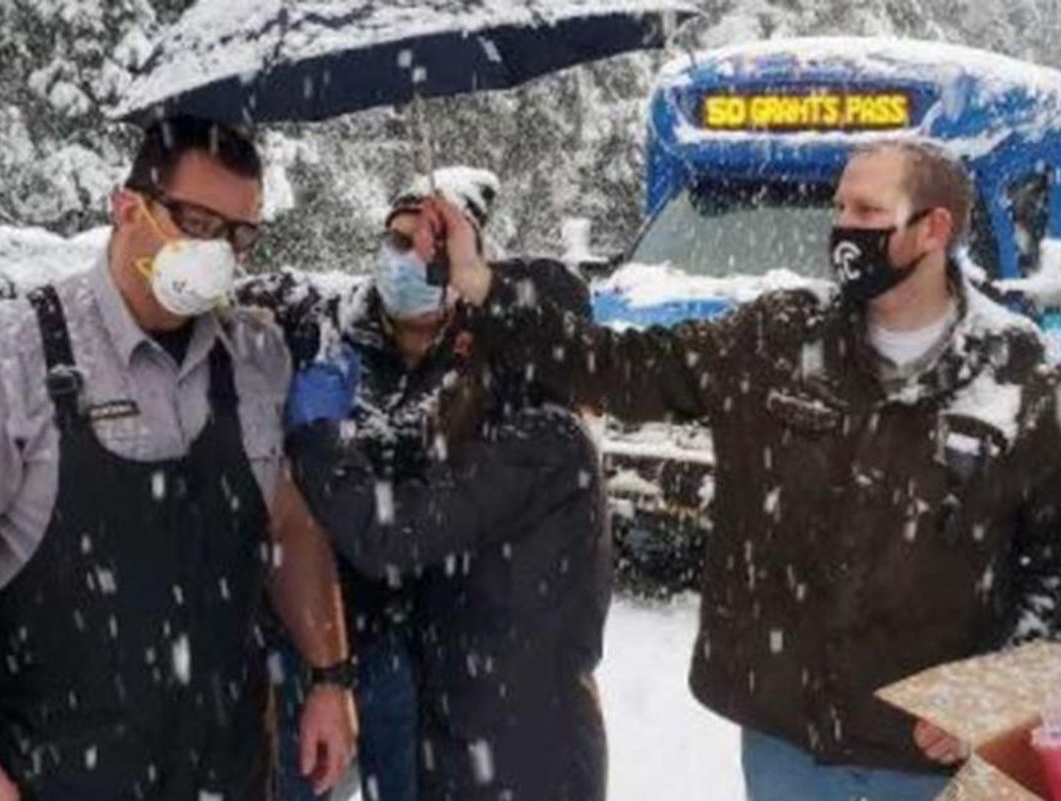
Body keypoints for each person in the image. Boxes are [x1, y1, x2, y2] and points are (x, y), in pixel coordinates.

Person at [440, 139, 1061, 800]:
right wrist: (482, 284)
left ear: (935, 228)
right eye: (840, 205)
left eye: (868, 209)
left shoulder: (1021, 381)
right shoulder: (777, 338)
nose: (844, 227)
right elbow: (617, 365)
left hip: (938, 762)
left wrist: (995, 691)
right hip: (788, 748)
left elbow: (1054, 568)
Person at [0, 115, 356, 801]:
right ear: (128, 207)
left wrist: (327, 676)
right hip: (61, 770)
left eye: (238, 234)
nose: (217, 250)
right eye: (197, 221)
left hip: (226, 766)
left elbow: (290, 528)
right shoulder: (12, 359)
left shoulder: (254, 360)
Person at [280, 176, 613, 801]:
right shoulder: (510, 423)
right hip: (472, 719)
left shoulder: (541, 441)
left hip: (516, 746)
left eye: (489, 317)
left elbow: (393, 535)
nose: (470, 328)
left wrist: (320, 437)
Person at [249, 166, 503, 801]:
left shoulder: (483, 361)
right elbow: (247, 305)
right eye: (395, 239)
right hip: (307, 639)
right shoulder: (325, 332)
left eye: (428, 243)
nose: (405, 257)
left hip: (412, 648)